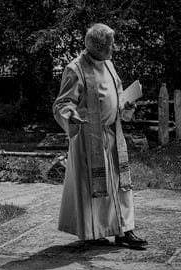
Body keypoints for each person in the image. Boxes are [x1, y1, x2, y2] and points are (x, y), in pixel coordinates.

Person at [52, 23, 146, 247]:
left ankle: (125, 230)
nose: (114, 48)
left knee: (121, 186)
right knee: (96, 188)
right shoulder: (75, 69)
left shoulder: (109, 65)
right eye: (110, 45)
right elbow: (62, 104)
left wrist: (126, 104)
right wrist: (70, 116)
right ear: (98, 46)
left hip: (113, 135)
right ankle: (97, 232)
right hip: (89, 139)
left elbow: (118, 94)